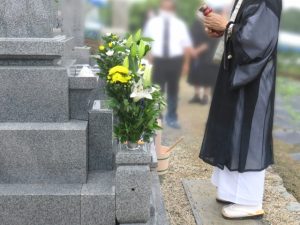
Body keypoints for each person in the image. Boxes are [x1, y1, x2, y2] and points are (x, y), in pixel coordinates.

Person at [199, 0, 282, 219]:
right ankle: (231, 192)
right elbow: (241, 27)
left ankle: (249, 201)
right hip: (238, 72)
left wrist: (227, 26)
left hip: (254, 79)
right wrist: (222, 29)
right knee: (231, 129)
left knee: (249, 133)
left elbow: (258, 40)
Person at [144, 0, 192, 129]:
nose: (167, 7)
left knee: (173, 90)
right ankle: (156, 117)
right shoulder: (152, 23)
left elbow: (186, 45)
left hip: (175, 61)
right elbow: (145, 43)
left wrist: (186, 64)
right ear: (161, 5)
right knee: (156, 90)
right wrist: (148, 58)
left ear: (173, 7)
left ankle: (171, 117)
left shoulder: (180, 25)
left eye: (169, 5)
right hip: (157, 61)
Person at [188, 8, 222, 105]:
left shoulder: (210, 24)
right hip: (194, 52)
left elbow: (210, 41)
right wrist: (192, 50)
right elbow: (189, 36)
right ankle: (197, 95)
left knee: (207, 75)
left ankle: (206, 96)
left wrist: (197, 50)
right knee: (195, 73)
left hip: (207, 54)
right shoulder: (195, 24)